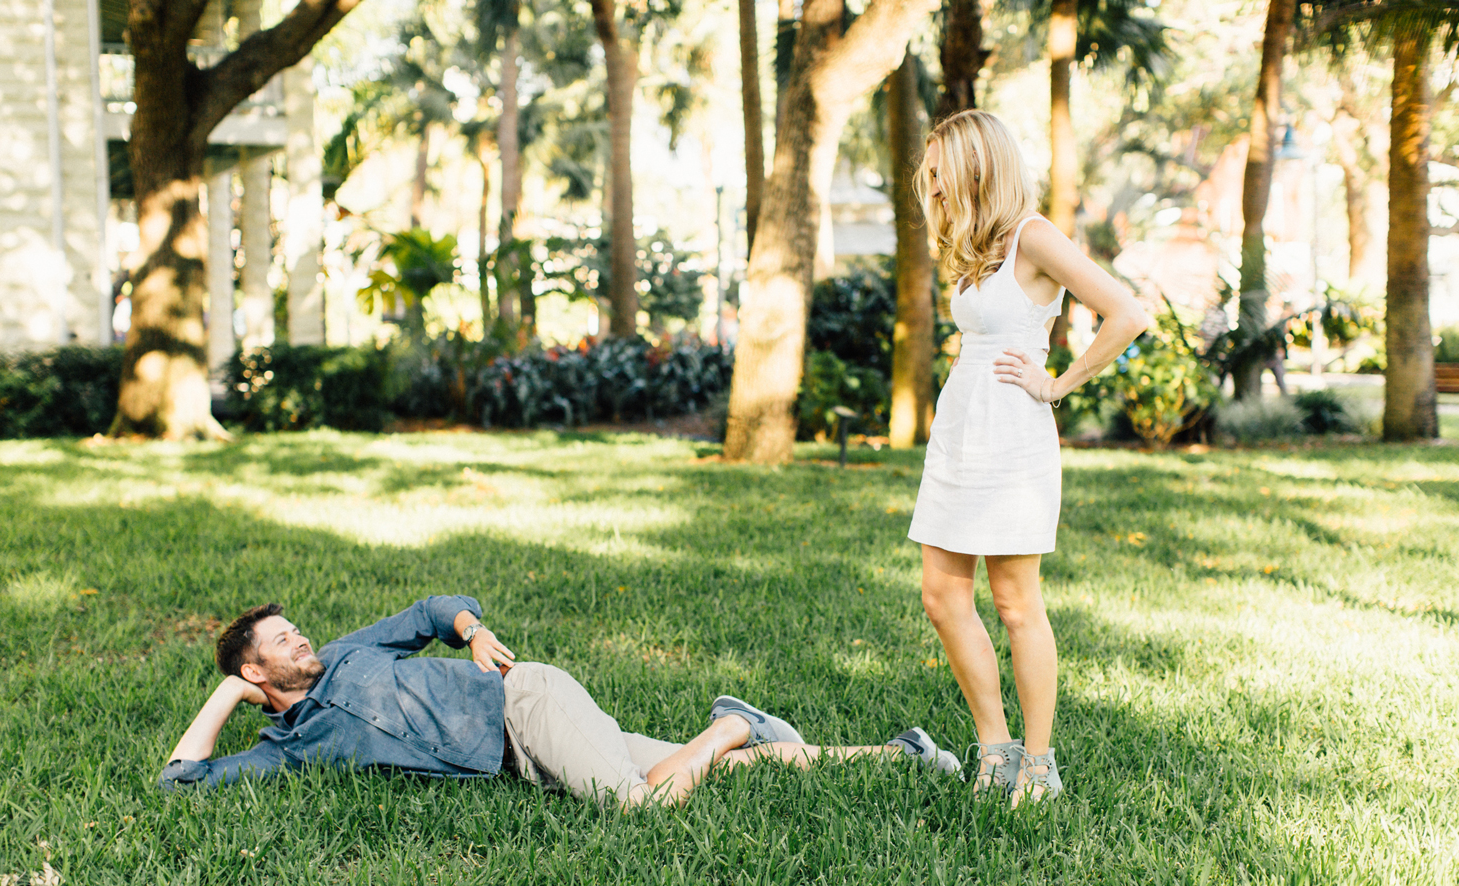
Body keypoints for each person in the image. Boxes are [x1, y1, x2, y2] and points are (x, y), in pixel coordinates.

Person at [161, 595, 962, 807]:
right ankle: (904, 756)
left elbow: (434, 610)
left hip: (526, 701)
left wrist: (472, 631)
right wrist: (228, 694)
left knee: (637, 806)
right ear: (257, 673)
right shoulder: (285, 749)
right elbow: (181, 782)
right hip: (521, 757)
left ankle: (730, 724)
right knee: (714, 774)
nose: (303, 640)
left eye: (297, 631)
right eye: (283, 643)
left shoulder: (349, 653)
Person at [908, 111, 1149, 805]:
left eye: (941, 172)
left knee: (1016, 603)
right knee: (942, 597)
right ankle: (996, 749)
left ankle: (1039, 767)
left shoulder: (1033, 236)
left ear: (978, 166)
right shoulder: (977, 247)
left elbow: (1127, 313)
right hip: (960, 434)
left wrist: (1058, 384)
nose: (932, 184)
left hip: (1012, 437)